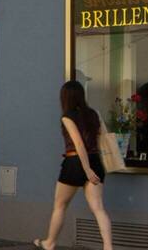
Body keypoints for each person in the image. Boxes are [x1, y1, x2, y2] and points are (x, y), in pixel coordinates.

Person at [33, 81, 112, 250]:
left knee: (60, 206)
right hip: (95, 160)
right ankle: (108, 247)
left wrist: (86, 169)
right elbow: (100, 139)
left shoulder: (67, 117)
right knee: (98, 208)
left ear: (65, 97)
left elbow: (78, 143)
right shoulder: (94, 114)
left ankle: (49, 242)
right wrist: (91, 167)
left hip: (74, 163)